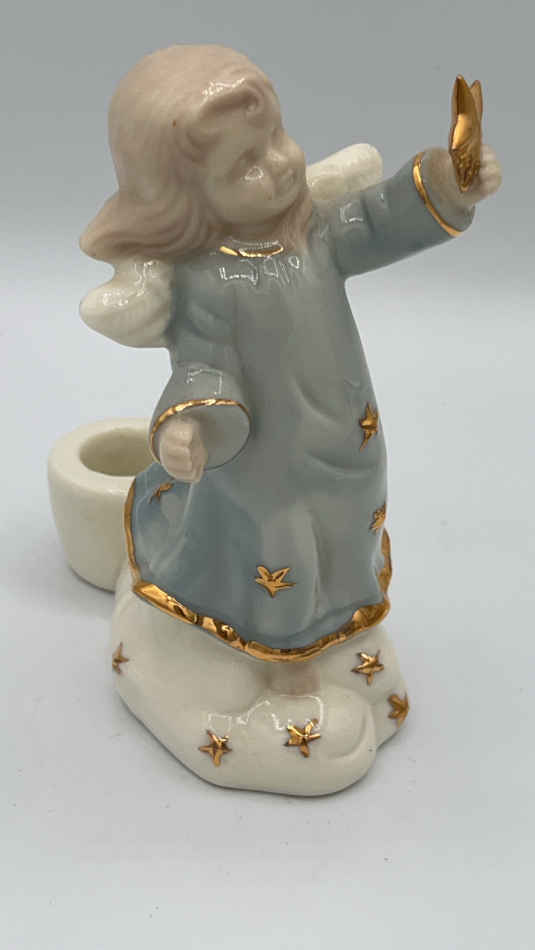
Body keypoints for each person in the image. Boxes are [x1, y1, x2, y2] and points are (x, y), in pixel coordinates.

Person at [80, 45, 502, 793]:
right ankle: (285, 672)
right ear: (187, 197)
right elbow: (203, 364)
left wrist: (446, 181)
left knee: (344, 529)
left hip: (344, 440)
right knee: (279, 553)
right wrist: (189, 425)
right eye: (246, 164)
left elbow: (377, 217)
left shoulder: (314, 231)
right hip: (261, 466)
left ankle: (337, 628)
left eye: (276, 137)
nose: (278, 164)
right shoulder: (207, 278)